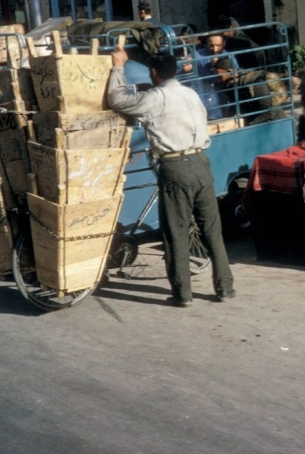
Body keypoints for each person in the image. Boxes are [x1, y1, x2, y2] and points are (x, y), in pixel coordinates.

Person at [107, 49, 235, 307]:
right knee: (212, 230)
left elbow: (116, 99)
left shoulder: (155, 97)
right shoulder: (190, 93)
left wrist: (118, 67)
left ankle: (183, 293)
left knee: (176, 232)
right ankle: (224, 288)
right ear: (175, 70)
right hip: (201, 162)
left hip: (176, 166)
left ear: (154, 73)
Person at [212, 56, 288, 125]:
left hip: (275, 124)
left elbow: (268, 112)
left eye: (219, 77)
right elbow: (234, 107)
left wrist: (249, 126)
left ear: (230, 72)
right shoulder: (231, 86)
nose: (218, 81)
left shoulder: (255, 83)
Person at [193, 33, 239, 120]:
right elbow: (179, 71)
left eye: (218, 45)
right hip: (201, 108)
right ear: (206, 43)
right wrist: (185, 69)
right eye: (211, 46)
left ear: (224, 43)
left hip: (222, 108)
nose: (215, 49)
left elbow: (236, 79)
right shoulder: (196, 56)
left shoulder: (230, 58)